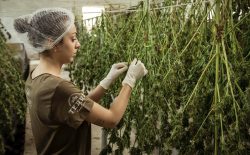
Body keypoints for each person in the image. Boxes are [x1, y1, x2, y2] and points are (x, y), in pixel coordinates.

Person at [14, 8, 147, 155]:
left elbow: (77, 108)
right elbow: (111, 119)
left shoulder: (35, 76)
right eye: (73, 38)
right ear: (54, 44)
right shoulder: (57, 88)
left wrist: (105, 82)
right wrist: (130, 80)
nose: (78, 44)